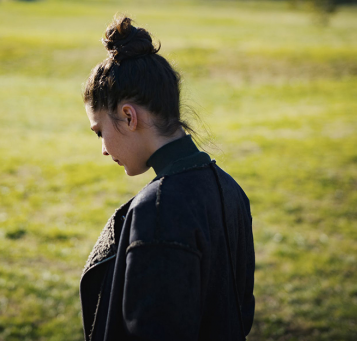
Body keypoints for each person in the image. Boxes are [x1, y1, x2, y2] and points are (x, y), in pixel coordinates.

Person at [79, 15, 255, 341]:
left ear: (129, 116)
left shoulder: (157, 212)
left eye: (99, 131)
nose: (103, 149)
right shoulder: (231, 190)